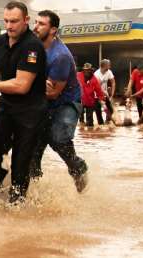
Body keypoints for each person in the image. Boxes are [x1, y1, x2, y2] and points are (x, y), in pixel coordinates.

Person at [0, 1, 47, 204]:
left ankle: (17, 207)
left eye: (14, 21)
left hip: (31, 111)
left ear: (26, 20)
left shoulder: (33, 47)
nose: (9, 26)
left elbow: (22, 85)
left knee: (21, 164)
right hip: (6, 105)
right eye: (6, 21)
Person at [29, 10, 88, 193]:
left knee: (58, 138)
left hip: (66, 103)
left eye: (41, 24)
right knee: (32, 148)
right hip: (41, 101)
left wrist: (32, 85)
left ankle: (78, 169)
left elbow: (53, 93)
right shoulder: (33, 48)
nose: (35, 27)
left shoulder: (60, 56)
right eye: (35, 22)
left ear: (53, 30)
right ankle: (33, 193)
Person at [79, 63, 106, 128]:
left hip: (90, 101)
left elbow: (99, 91)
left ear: (91, 71)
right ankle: (82, 132)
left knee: (90, 123)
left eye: (88, 70)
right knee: (81, 121)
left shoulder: (94, 79)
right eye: (85, 70)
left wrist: (102, 99)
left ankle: (90, 135)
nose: (87, 72)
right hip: (80, 100)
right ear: (83, 70)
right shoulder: (78, 75)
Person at [93, 59, 116, 123]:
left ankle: (108, 122)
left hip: (105, 94)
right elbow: (98, 88)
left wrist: (112, 95)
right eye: (109, 65)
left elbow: (113, 82)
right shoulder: (96, 74)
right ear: (104, 66)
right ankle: (101, 125)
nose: (110, 67)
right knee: (98, 112)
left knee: (110, 110)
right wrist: (105, 94)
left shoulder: (109, 72)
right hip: (96, 95)